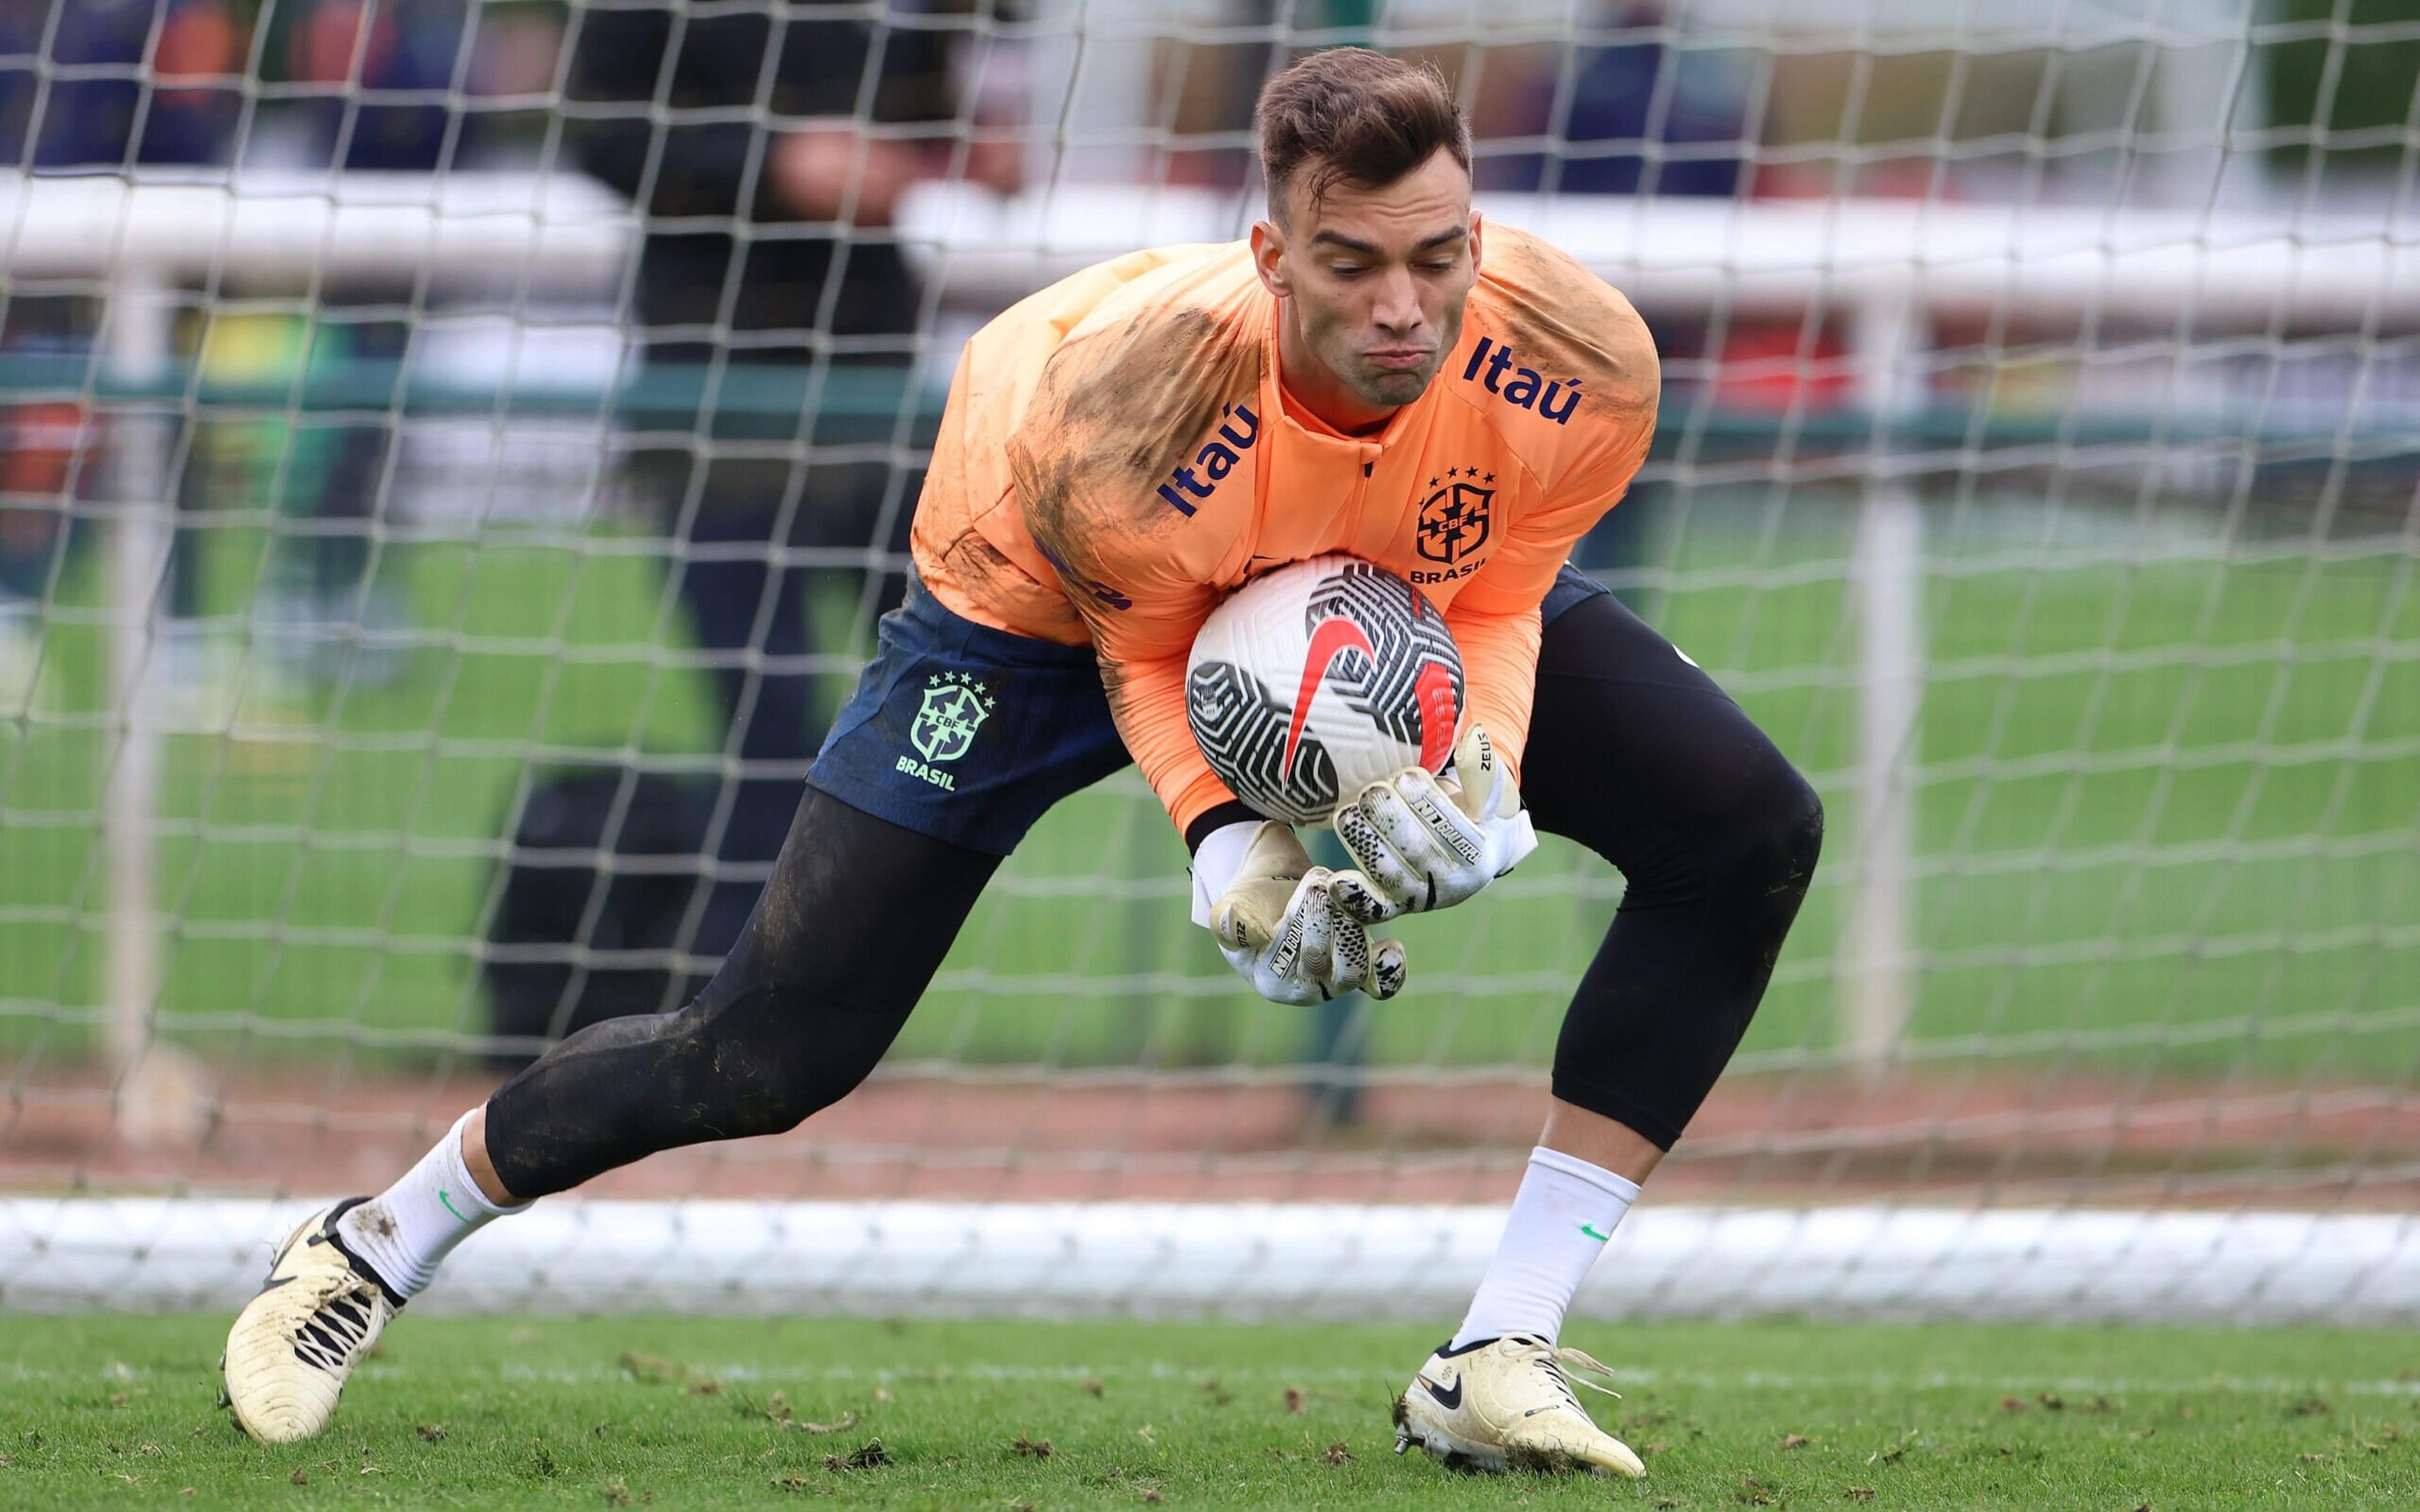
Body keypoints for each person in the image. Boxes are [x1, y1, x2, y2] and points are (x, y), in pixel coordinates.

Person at [220, 49, 1822, 1480]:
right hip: (1042, 595)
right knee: (774, 1048)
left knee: (1744, 828)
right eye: (1350, 266)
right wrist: (1222, 844)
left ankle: (1495, 1354)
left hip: (1366, 573)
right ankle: (368, 1248)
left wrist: (1482, 752)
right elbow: (1149, 648)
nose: (1404, 309)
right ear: (1274, 258)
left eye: (1436, 258)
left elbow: (1501, 580)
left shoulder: (1585, 360)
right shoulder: (1138, 407)